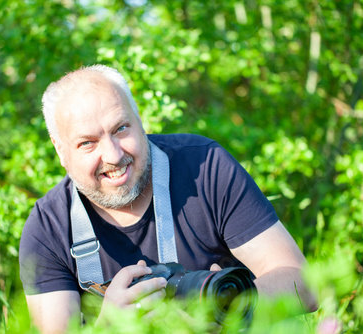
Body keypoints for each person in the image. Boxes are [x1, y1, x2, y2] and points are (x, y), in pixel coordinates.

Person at [19, 65, 316, 333]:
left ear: (140, 121)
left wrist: (230, 311)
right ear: (60, 151)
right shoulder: (48, 228)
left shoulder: (205, 167)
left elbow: (303, 284)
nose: (113, 155)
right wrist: (108, 327)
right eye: (87, 143)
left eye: (121, 128)